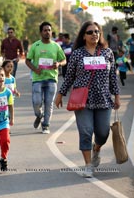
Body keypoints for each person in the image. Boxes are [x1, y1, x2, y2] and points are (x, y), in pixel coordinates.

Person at [55, 21, 121, 178]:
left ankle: (96, 150)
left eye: (97, 32)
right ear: (84, 36)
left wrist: (116, 96)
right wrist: (60, 94)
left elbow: (113, 77)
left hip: (104, 100)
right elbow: (69, 76)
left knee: (103, 133)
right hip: (83, 100)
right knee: (85, 132)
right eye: (90, 32)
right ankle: (88, 165)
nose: (94, 34)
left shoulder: (107, 53)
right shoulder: (77, 54)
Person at [25, 21, 66, 134]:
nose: (47, 32)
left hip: (52, 78)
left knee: (49, 103)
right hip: (38, 78)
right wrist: (35, 69)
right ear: (41, 32)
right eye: (45, 30)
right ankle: (39, 115)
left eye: (49, 30)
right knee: (36, 102)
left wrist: (58, 64)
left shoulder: (56, 46)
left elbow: (64, 60)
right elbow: (27, 60)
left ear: (51, 32)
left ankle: (46, 125)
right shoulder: (35, 45)